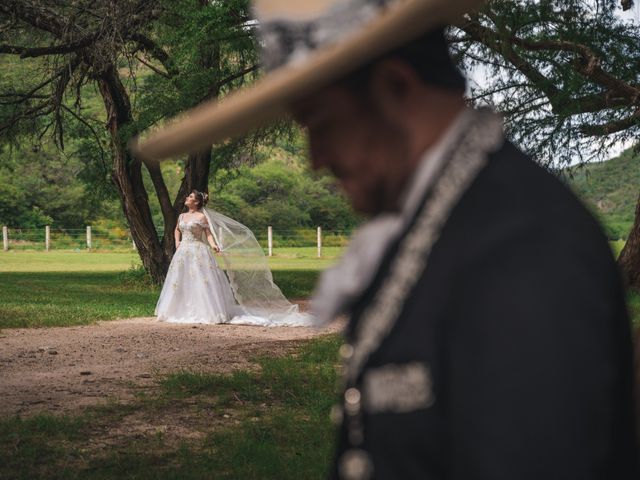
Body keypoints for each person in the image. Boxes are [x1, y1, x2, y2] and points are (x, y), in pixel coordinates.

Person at [134, 1, 639, 478]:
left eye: (322, 123)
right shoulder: (443, 222)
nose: (316, 158)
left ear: (396, 87)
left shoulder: (524, 247)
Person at [155, 189, 311, 327]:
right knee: (180, 280)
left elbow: (208, 234)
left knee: (200, 280)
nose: (187, 198)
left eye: (190, 197)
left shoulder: (202, 217)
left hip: (198, 251)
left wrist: (214, 245)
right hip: (183, 252)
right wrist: (177, 242)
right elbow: (177, 229)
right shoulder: (182, 216)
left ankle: (204, 311)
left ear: (196, 202)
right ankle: (178, 310)